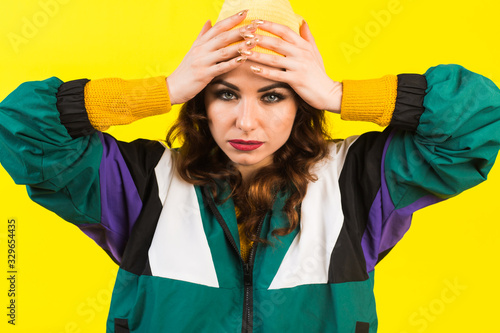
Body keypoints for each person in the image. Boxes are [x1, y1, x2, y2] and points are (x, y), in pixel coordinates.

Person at [1, 0, 499, 332]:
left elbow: (477, 123)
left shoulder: (356, 182)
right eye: (225, 93)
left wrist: (338, 94)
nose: (246, 120)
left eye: (273, 95)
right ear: (201, 101)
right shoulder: (141, 183)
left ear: (300, 101)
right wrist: (163, 90)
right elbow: (22, 128)